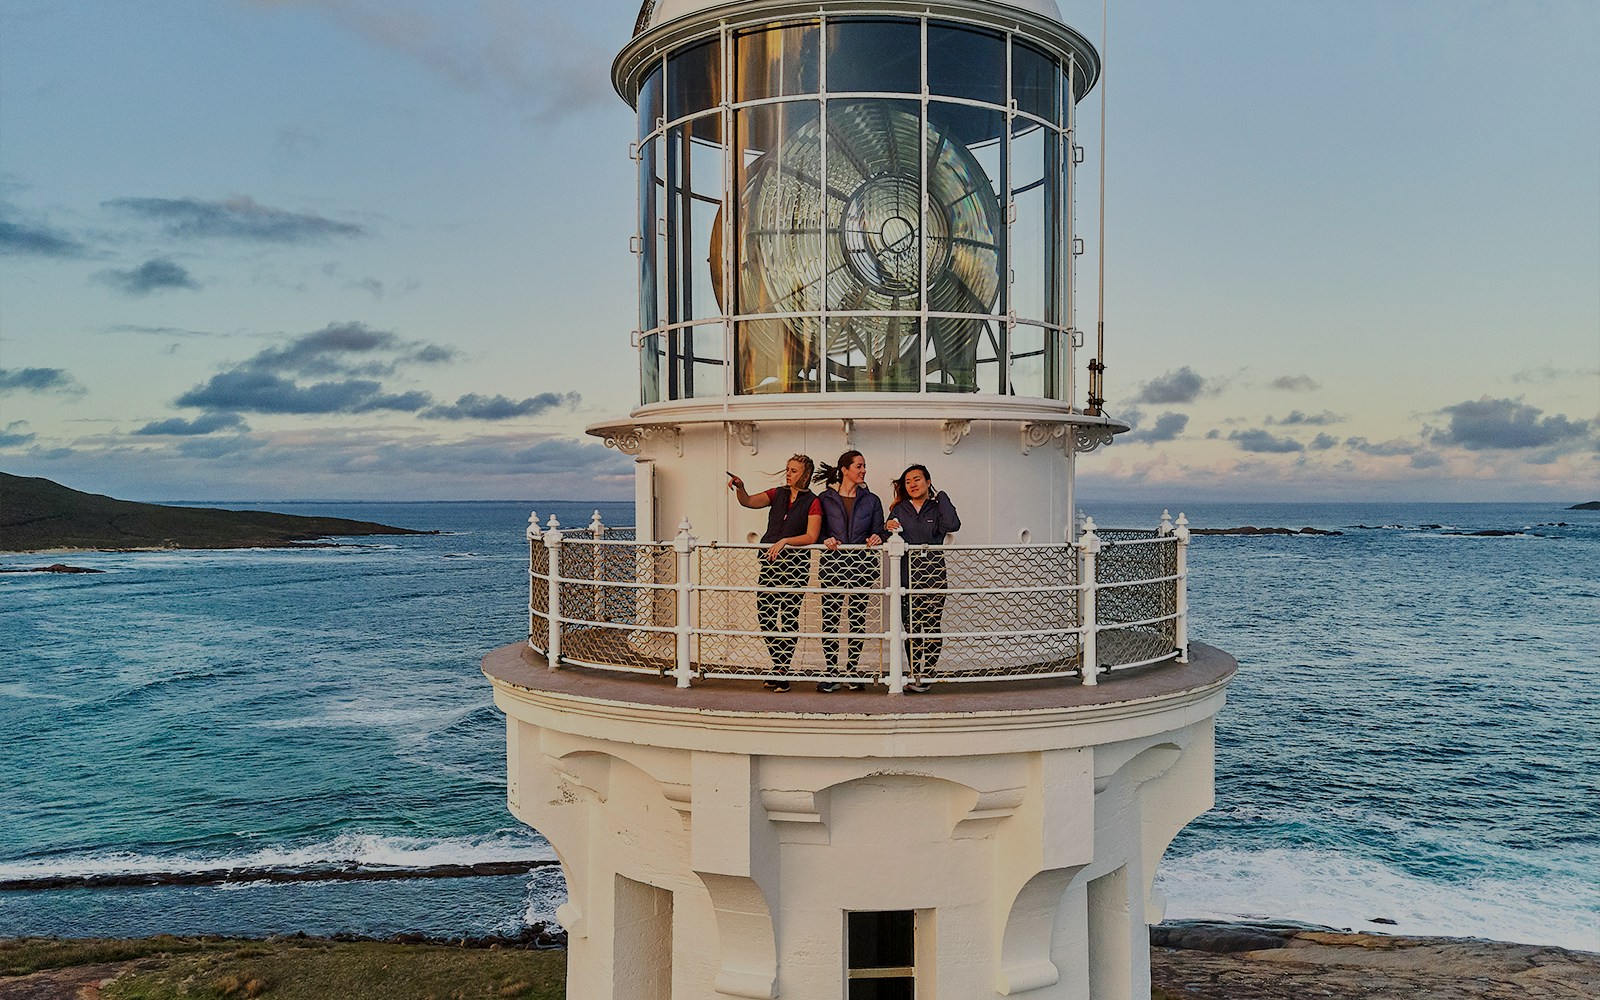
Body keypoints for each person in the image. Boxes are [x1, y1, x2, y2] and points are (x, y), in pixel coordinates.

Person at [730, 455, 820, 693]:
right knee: (766, 614)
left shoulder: (813, 501)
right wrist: (741, 487)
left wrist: (786, 541)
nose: (788, 474)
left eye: (793, 470)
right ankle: (781, 666)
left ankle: (781, 671)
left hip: (796, 565)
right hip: (770, 563)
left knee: (789, 616)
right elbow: (748, 501)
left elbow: (811, 536)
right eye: (787, 469)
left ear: (805, 474)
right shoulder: (777, 493)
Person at [813, 450, 885, 692]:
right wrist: (825, 540)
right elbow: (817, 531)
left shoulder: (872, 500)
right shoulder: (824, 498)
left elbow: (879, 531)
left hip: (861, 567)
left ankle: (852, 671)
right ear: (844, 470)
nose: (863, 470)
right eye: (859, 466)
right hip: (832, 566)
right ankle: (831, 672)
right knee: (831, 620)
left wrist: (878, 536)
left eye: (864, 466)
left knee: (857, 619)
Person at [886, 464, 961, 693]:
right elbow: (884, 535)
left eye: (917, 479)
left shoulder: (937, 508)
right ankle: (914, 672)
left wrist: (943, 497)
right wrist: (886, 525)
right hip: (905, 577)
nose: (912, 484)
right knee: (909, 626)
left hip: (933, 575)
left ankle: (927, 671)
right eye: (908, 481)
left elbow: (953, 525)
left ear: (928, 482)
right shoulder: (899, 509)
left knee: (930, 624)